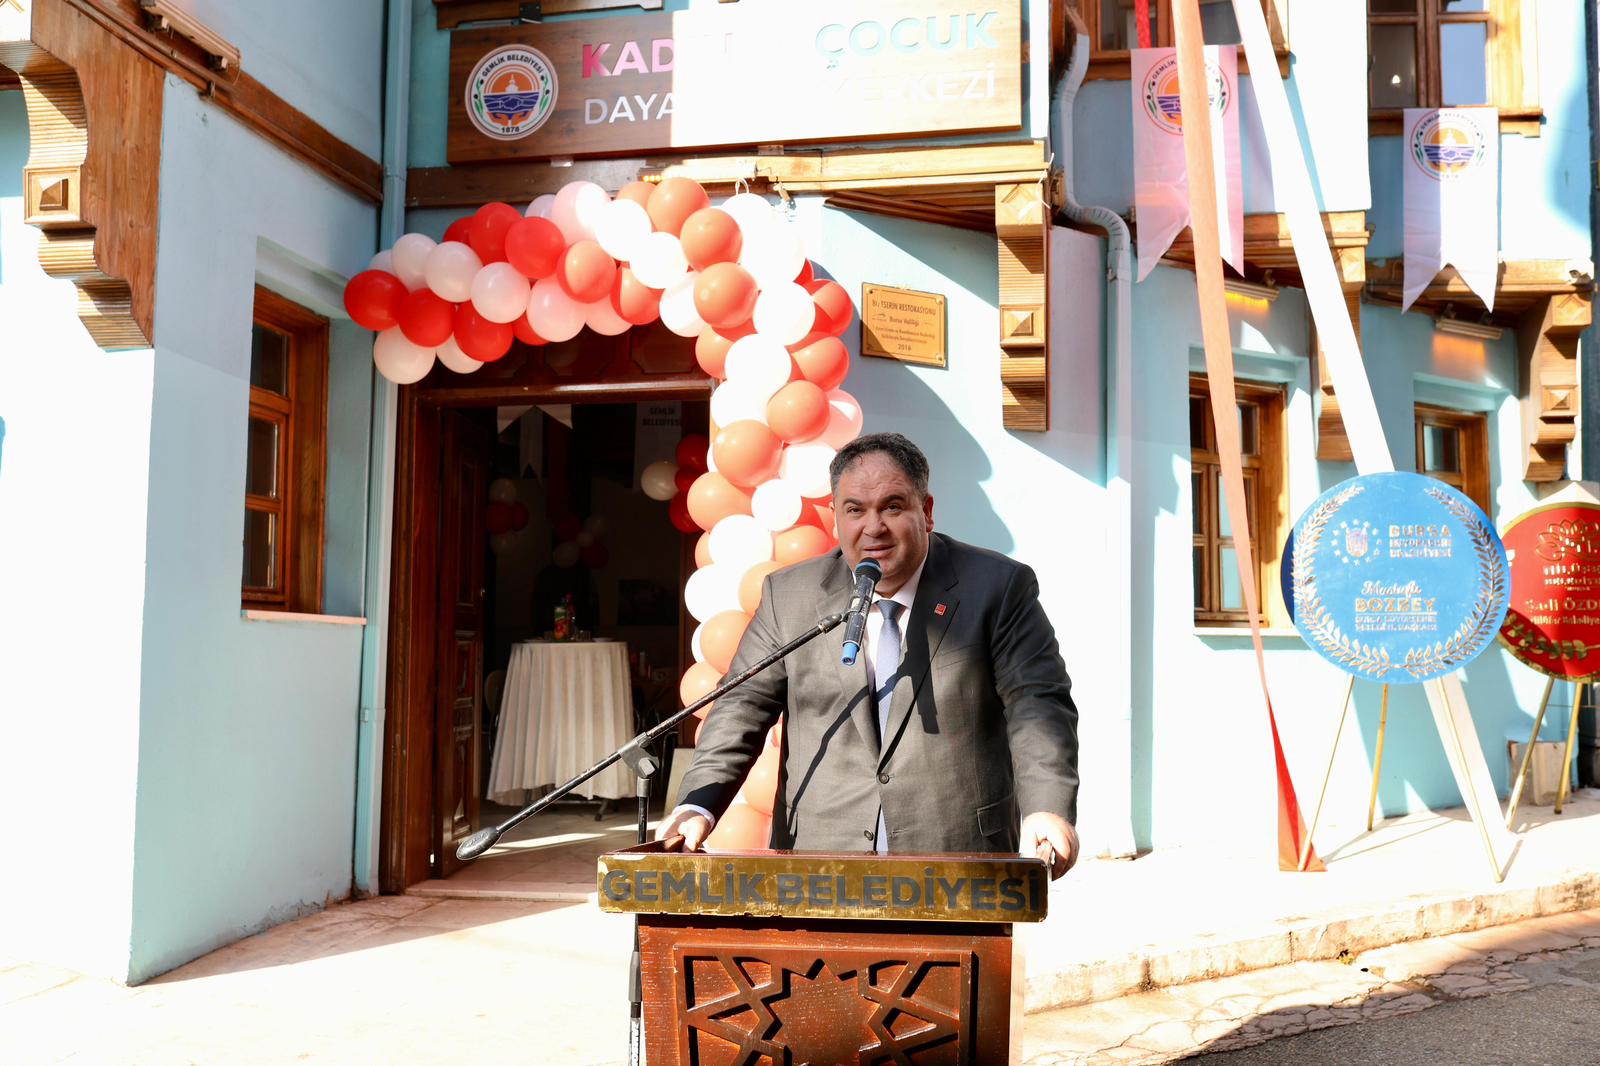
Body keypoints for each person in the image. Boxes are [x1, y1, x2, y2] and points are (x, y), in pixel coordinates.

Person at [659, 433, 1080, 877]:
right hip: (820, 859)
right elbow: (741, 705)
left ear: (927, 511)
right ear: (836, 517)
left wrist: (1047, 808)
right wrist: (696, 806)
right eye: (855, 510)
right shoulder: (790, 596)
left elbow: (1037, 703)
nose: (873, 527)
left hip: (956, 855)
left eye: (892, 507)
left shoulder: (997, 588)